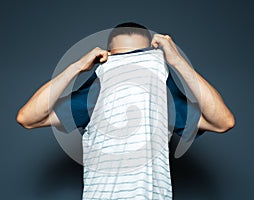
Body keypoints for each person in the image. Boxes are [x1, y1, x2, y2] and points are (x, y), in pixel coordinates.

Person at [16, 22, 235, 199]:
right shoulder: (95, 93)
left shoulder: (161, 95)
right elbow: (28, 118)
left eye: (142, 57)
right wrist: (76, 67)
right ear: (106, 58)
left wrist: (177, 62)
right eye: (121, 60)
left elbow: (223, 122)